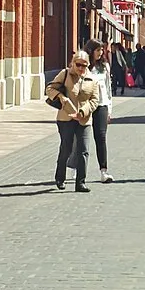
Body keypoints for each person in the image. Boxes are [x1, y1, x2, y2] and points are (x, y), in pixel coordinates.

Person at [47, 50, 102, 191]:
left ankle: (81, 183)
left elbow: (95, 100)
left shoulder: (93, 80)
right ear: (73, 63)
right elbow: (50, 88)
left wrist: (83, 112)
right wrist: (60, 96)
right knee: (66, 148)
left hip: (84, 119)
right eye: (78, 64)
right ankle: (60, 178)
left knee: (83, 150)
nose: (81, 68)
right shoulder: (65, 74)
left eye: (84, 65)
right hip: (66, 118)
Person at [88, 42, 116, 183]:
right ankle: (76, 166)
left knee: (101, 137)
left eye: (101, 50)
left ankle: (103, 171)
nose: (100, 53)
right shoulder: (84, 66)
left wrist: (109, 108)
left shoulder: (104, 66)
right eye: (97, 50)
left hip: (102, 104)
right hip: (86, 105)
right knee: (81, 137)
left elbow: (108, 88)